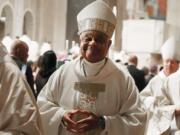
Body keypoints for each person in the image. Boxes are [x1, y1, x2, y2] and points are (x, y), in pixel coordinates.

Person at [37, 1, 147, 135]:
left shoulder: (122, 79)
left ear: (108, 44)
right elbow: (42, 106)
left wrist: (103, 123)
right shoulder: (63, 73)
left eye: (99, 39)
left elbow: (138, 119)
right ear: (80, 41)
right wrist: (61, 116)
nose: (92, 43)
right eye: (87, 38)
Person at [0, 43, 44, 134]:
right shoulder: (18, 68)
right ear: (17, 51)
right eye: (26, 52)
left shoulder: (10, 71)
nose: (28, 55)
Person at [140, 36, 180, 134]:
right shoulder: (155, 81)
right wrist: (154, 101)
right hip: (158, 128)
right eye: (167, 61)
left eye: (172, 62)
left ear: (178, 64)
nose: (169, 65)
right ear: (163, 62)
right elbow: (141, 99)